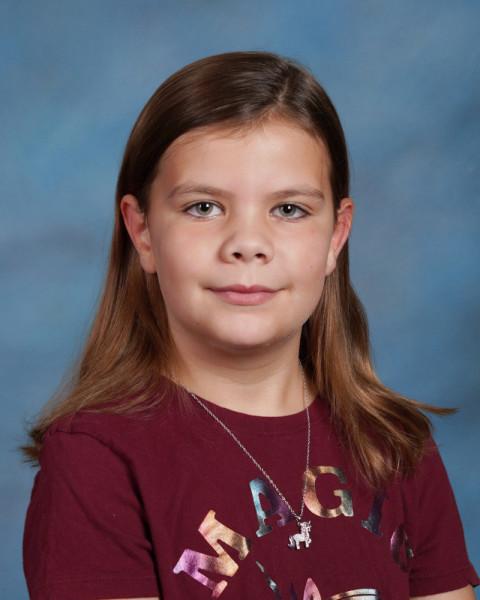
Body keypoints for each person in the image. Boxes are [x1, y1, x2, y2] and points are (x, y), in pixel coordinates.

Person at [20, 50, 479, 600]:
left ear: (336, 236)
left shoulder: (395, 445)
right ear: (142, 231)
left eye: (288, 209)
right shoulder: (96, 459)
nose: (247, 244)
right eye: (204, 207)